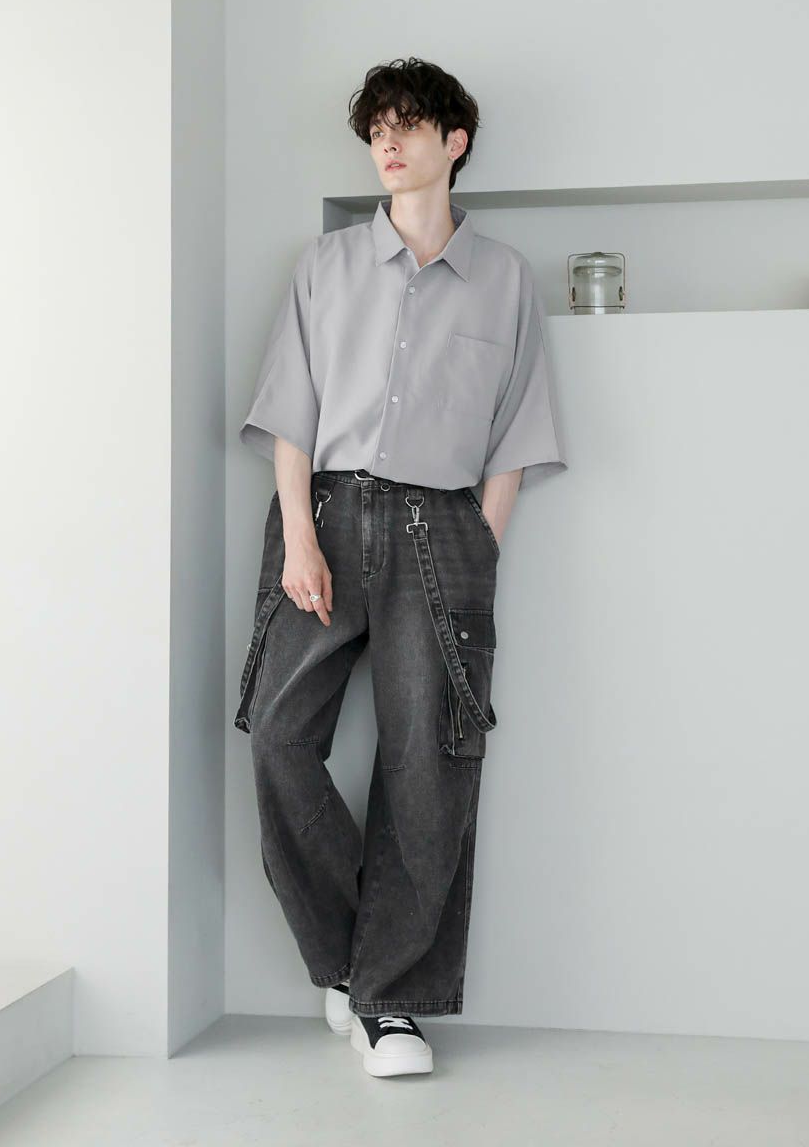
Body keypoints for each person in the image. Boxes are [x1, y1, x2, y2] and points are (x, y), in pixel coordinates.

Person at [234, 56, 567, 1078]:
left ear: (452, 142)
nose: (387, 142)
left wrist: (480, 547)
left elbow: (516, 436)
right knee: (278, 738)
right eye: (376, 127)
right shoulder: (326, 264)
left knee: (429, 763)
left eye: (408, 125)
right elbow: (290, 415)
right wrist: (300, 536)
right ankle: (352, 963)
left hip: (445, 528)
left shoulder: (504, 278)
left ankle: (391, 1008)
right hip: (324, 515)